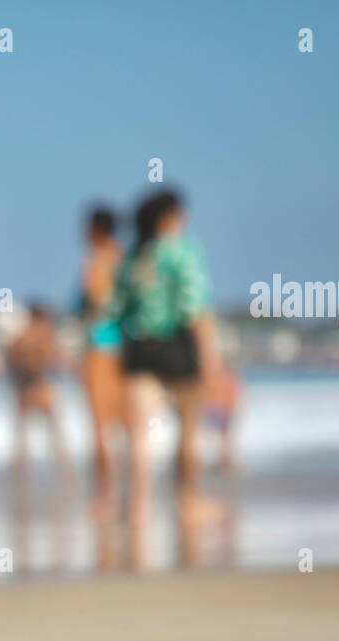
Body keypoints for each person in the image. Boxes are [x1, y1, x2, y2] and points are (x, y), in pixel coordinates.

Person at [104, 190, 225, 523]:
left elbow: (115, 313)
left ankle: (137, 505)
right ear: (169, 217)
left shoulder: (133, 258)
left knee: (140, 435)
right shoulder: (184, 251)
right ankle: (188, 502)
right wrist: (212, 358)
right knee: (188, 432)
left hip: (139, 349)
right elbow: (194, 307)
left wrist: (106, 352)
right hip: (178, 347)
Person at [76, 207, 125, 509]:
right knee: (124, 424)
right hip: (126, 346)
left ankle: (104, 494)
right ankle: (126, 491)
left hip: (100, 347)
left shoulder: (94, 263)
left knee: (99, 425)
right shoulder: (126, 260)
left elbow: (95, 302)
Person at [6, 302, 70, 476]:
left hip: (23, 389)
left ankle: (18, 475)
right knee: (56, 433)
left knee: (21, 436)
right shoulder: (45, 336)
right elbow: (55, 361)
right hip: (42, 387)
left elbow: (11, 362)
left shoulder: (20, 338)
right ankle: (65, 474)